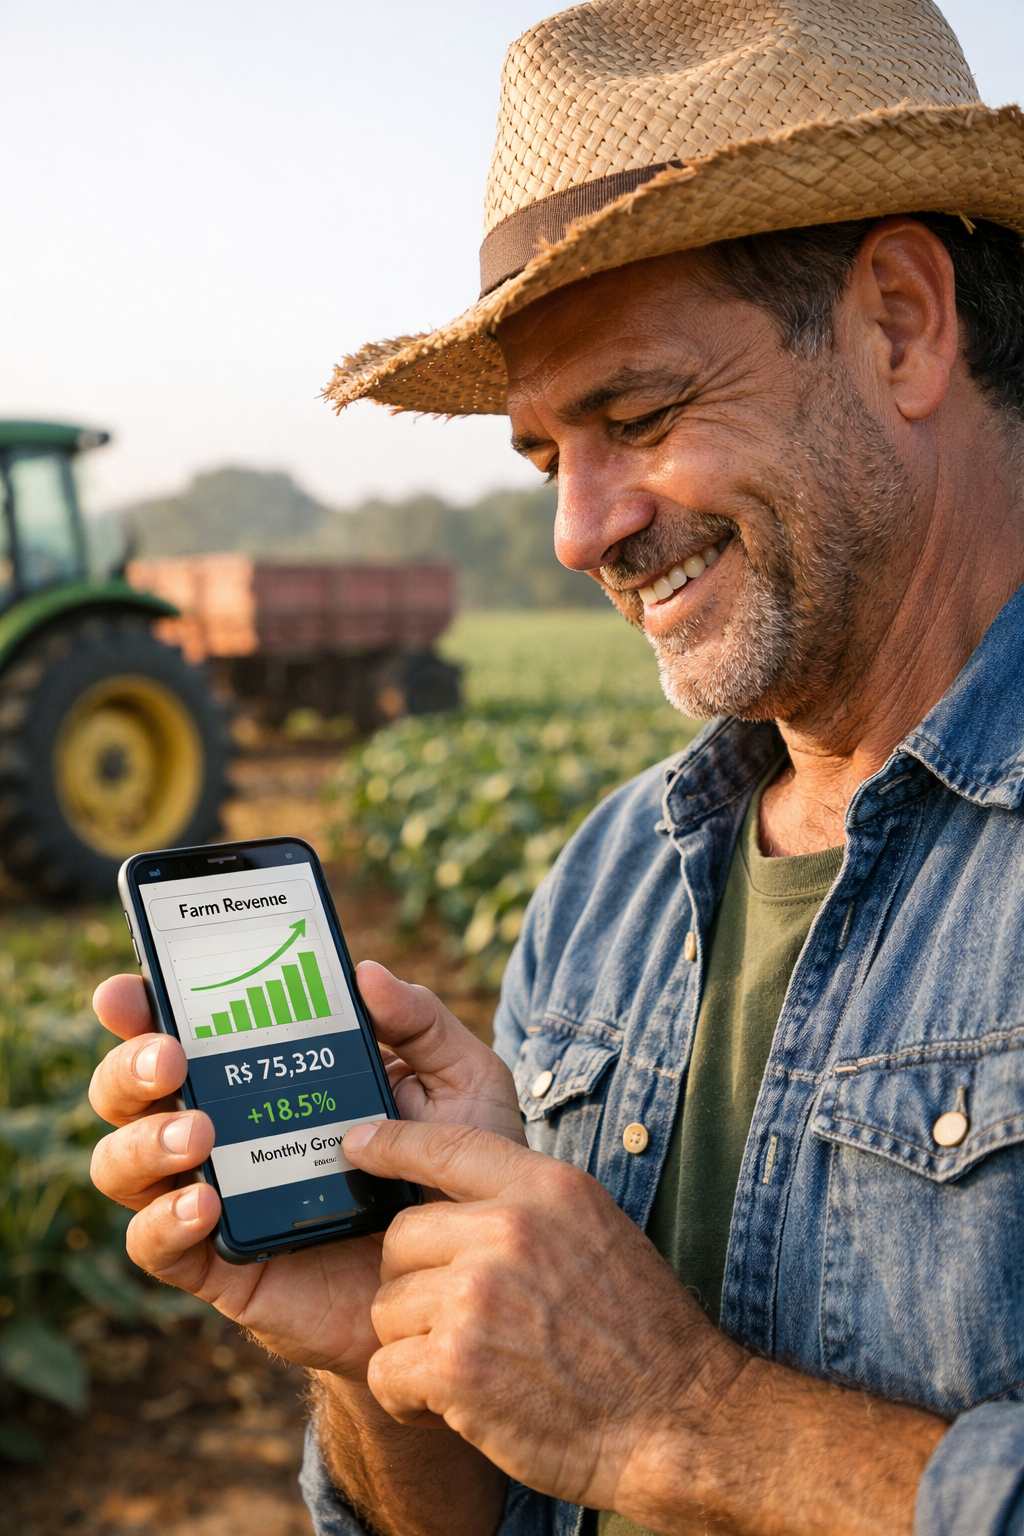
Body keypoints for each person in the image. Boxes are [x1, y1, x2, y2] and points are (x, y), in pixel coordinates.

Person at [89, 3, 1024, 1533]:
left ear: (904, 323)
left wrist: (689, 1417)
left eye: (638, 416)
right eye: (544, 457)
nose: (580, 531)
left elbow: (642, 1426)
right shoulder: (608, 896)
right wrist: (377, 1345)